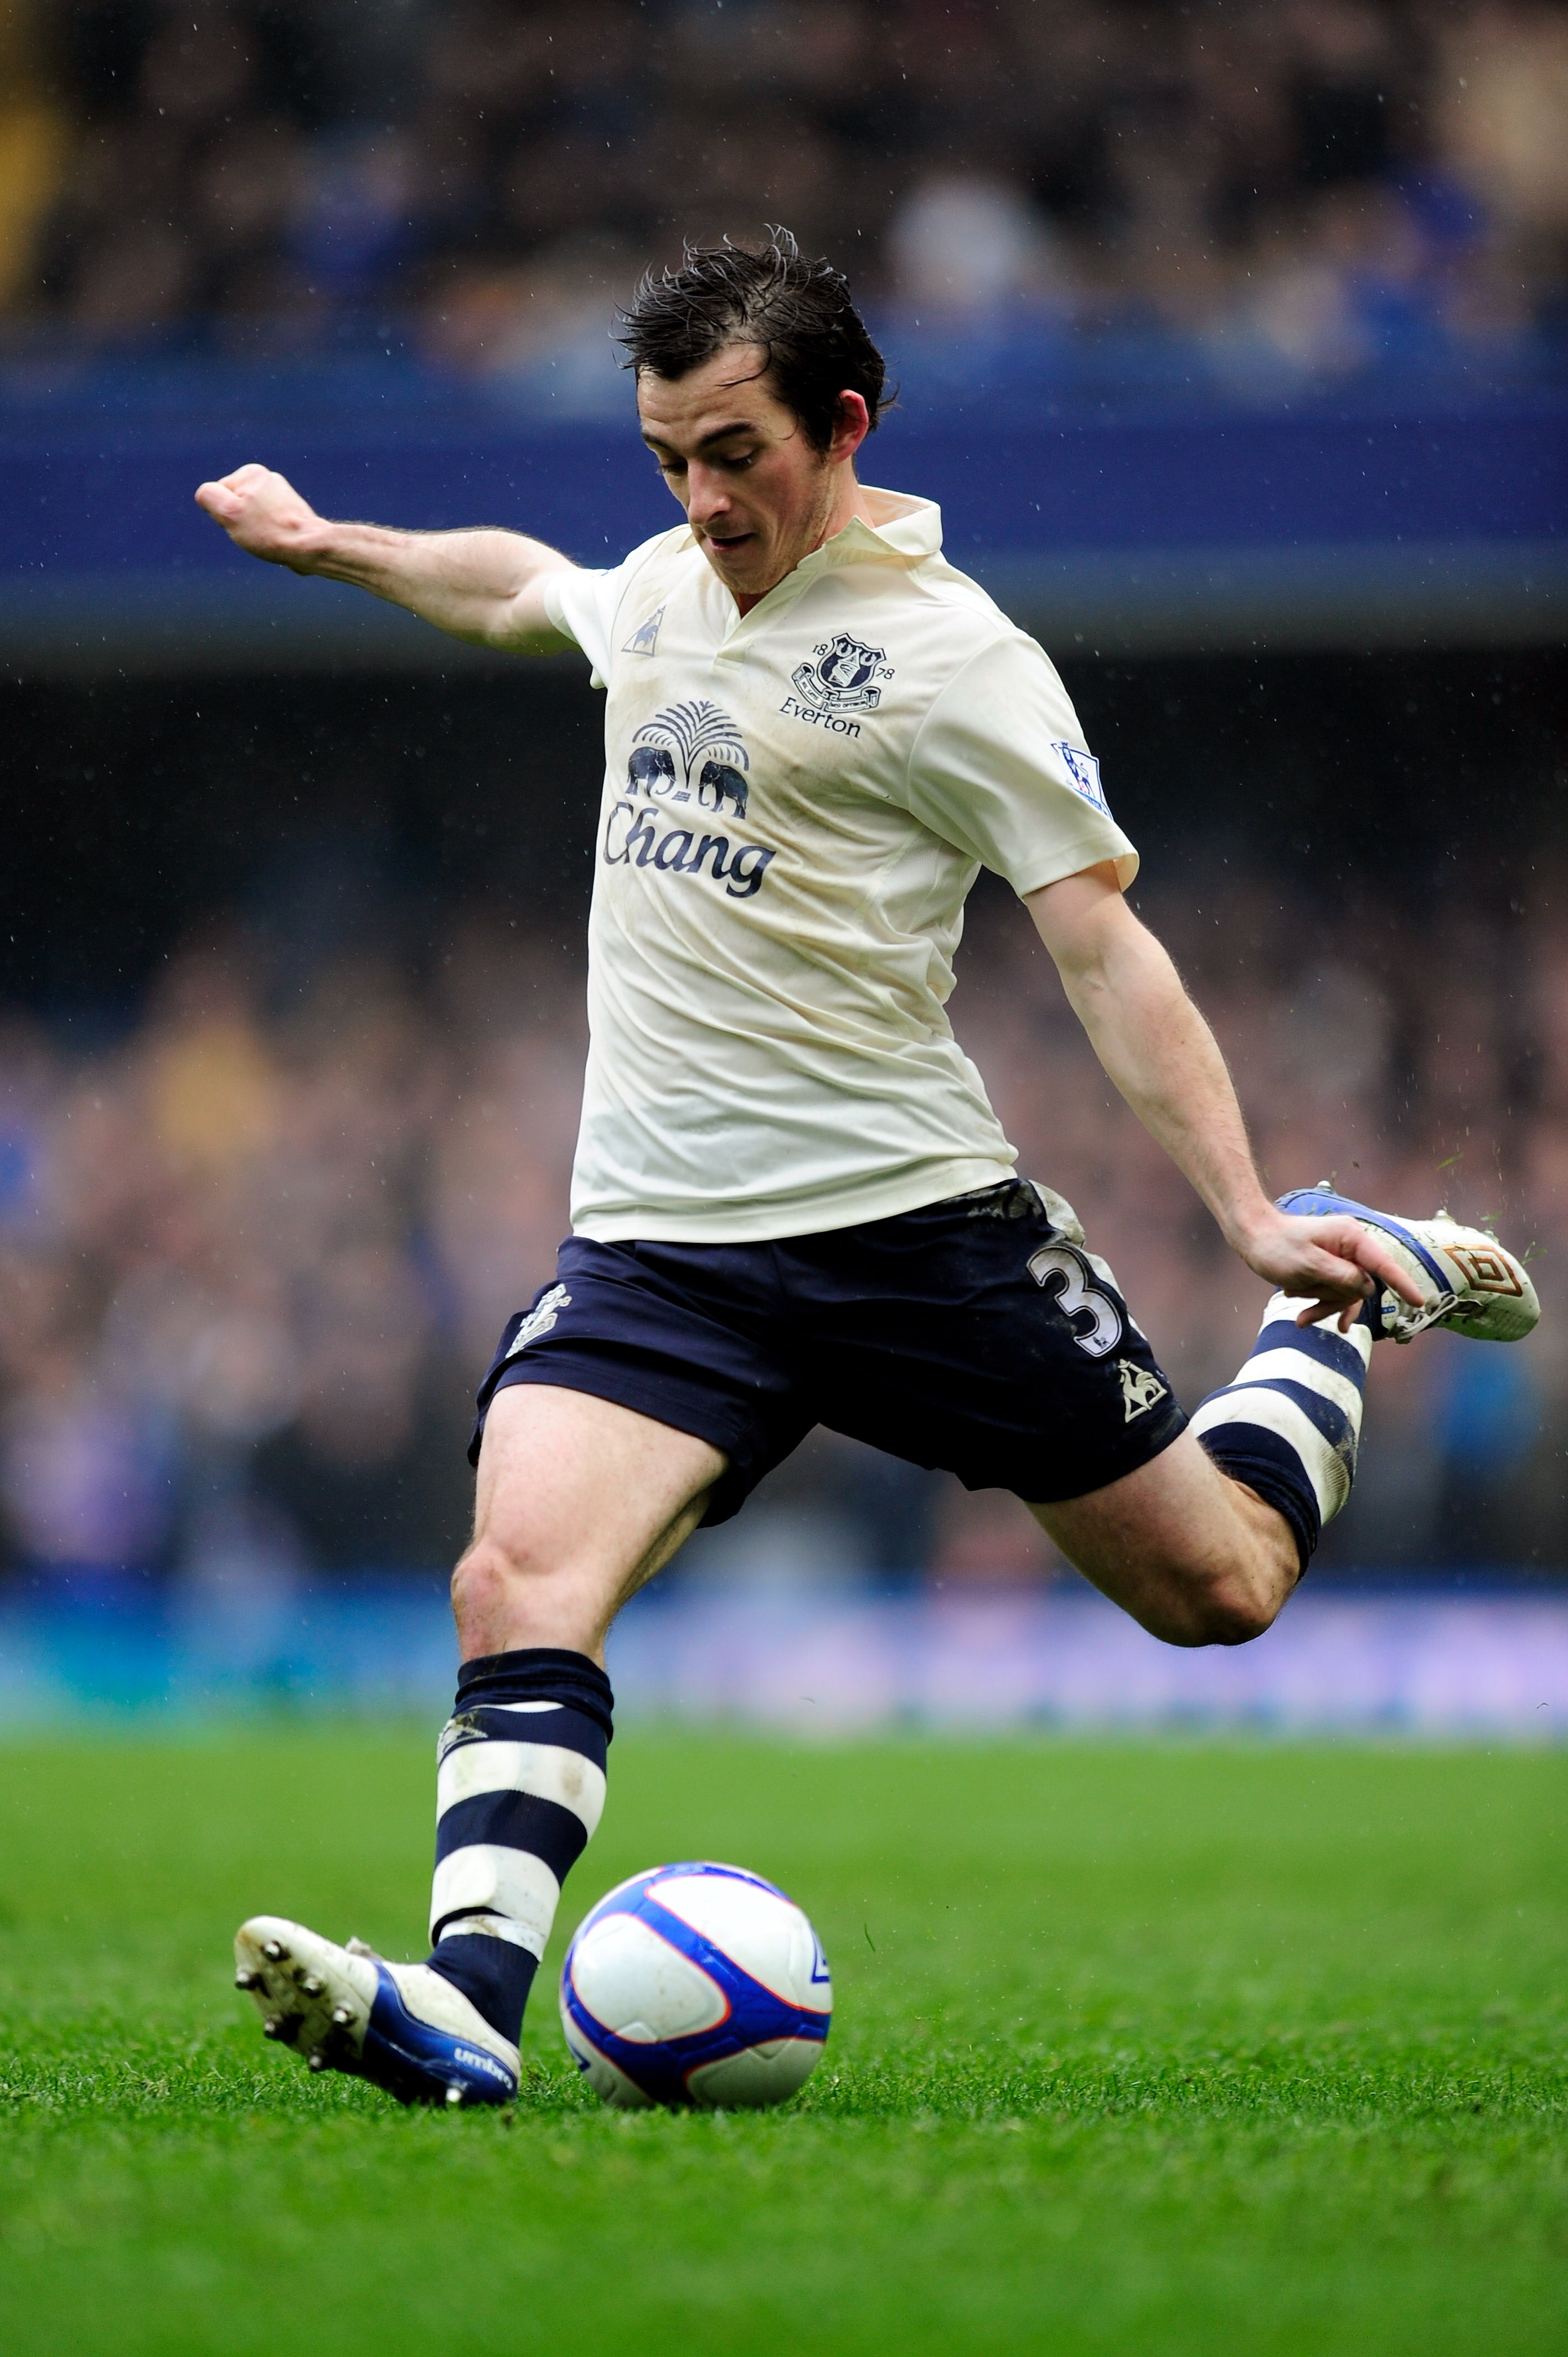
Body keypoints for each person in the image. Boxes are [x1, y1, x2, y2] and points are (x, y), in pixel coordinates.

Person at [198, 232, 1538, 2109]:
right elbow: (527, 590)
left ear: (843, 423)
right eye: (668, 457)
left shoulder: (954, 660)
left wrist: (1246, 1215)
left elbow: (1102, 944)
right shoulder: (664, 587)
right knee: (513, 1579)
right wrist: (339, 546)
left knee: (1221, 1591)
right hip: (663, 1246)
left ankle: (1338, 1303)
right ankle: (470, 2006)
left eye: (733, 451)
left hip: (921, 1235)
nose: (699, 497)